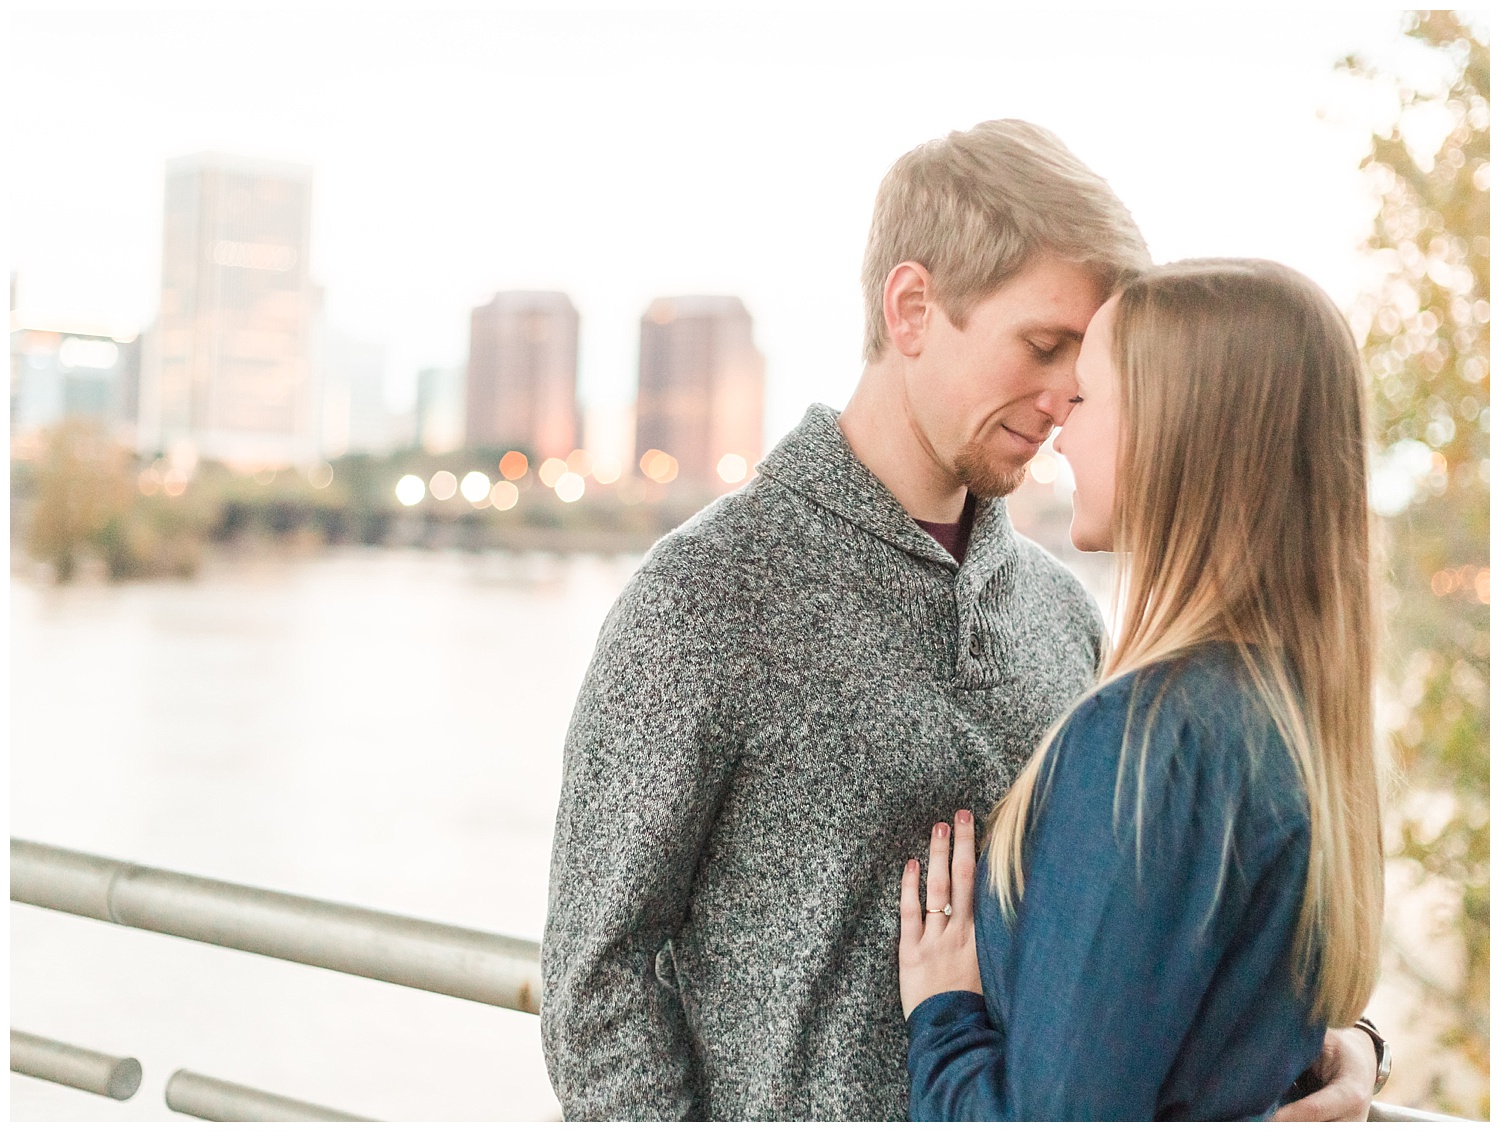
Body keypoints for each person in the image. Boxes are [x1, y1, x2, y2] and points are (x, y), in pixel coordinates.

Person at [541, 120, 1380, 1120]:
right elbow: (598, 983)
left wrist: (1341, 1043)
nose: (1071, 394)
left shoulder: (1063, 614)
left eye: (1091, 361)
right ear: (913, 308)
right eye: (1044, 344)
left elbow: (1149, 954)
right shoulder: (705, 595)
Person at [899, 260, 1386, 1120]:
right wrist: (1354, 1046)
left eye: (1085, 399)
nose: (1062, 433)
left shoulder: (1149, 739)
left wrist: (944, 1015)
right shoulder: (1285, 711)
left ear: (1176, 431)